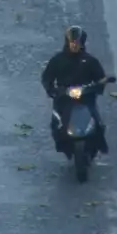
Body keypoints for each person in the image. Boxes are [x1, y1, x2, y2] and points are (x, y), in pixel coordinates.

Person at [40, 25, 109, 155]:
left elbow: (101, 78)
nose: (74, 45)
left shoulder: (90, 61)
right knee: (57, 122)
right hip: (64, 97)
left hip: (86, 96)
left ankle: (100, 144)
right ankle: (61, 142)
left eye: (77, 43)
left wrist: (98, 86)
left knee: (97, 121)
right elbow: (47, 77)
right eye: (72, 42)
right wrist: (51, 90)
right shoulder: (58, 60)